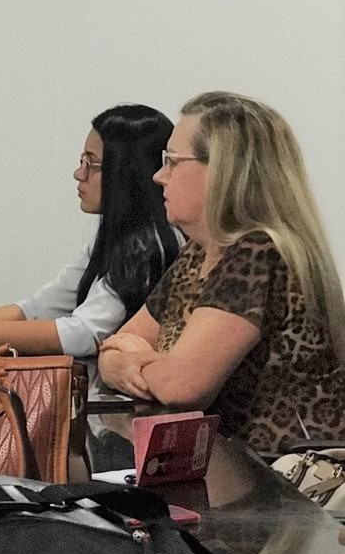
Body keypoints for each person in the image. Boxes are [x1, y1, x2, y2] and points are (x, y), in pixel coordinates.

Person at [99, 91, 345, 454]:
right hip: (225, 468)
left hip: (278, 476)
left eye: (172, 162)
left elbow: (182, 387)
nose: (159, 176)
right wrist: (131, 361)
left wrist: (133, 361)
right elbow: (113, 347)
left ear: (224, 172)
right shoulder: (198, 254)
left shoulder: (258, 251)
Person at [0, 104, 179, 357]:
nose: (78, 174)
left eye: (91, 164)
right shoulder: (117, 234)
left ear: (127, 173)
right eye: (82, 161)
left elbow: (85, 334)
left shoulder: (150, 244)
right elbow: (40, 307)